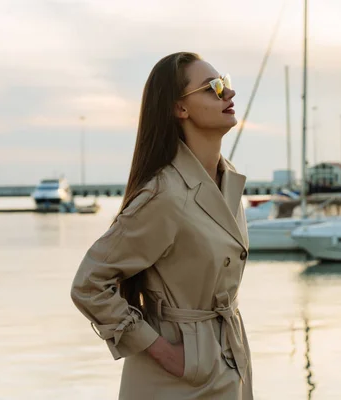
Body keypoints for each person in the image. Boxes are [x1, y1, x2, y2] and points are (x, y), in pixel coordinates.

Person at [70, 52, 253, 399]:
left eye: (225, 83)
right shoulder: (165, 195)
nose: (228, 94)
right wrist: (162, 351)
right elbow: (89, 284)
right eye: (213, 88)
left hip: (230, 361)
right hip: (175, 378)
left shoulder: (228, 181)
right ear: (179, 108)